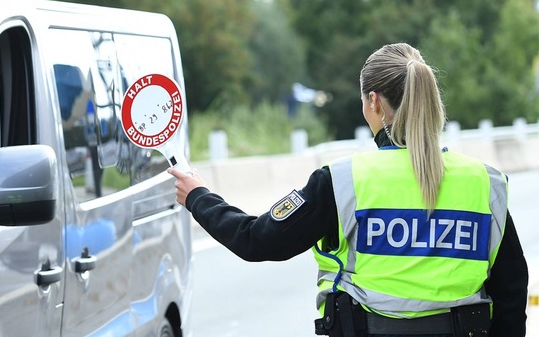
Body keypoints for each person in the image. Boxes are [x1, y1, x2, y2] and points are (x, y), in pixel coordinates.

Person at [168, 43, 528, 336]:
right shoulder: (486, 181)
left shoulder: (342, 180)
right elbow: (511, 289)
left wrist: (198, 196)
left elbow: (256, 240)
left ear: (373, 102)